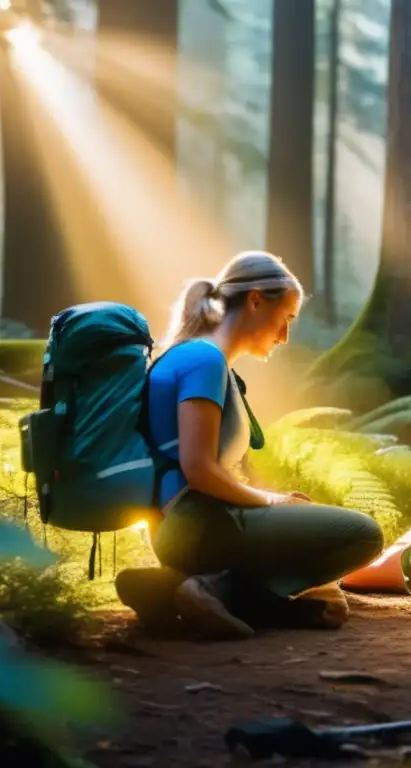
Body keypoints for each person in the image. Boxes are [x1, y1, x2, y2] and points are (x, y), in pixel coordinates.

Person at [116, 252, 384, 638]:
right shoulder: (204, 360)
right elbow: (199, 469)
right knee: (363, 534)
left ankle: (174, 589)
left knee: (311, 546)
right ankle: (219, 590)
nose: (285, 335)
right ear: (256, 300)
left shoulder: (194, 357)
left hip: (181, 528)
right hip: (197, 524)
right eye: (287, 318)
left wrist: (270, 498)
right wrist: (271, 502)